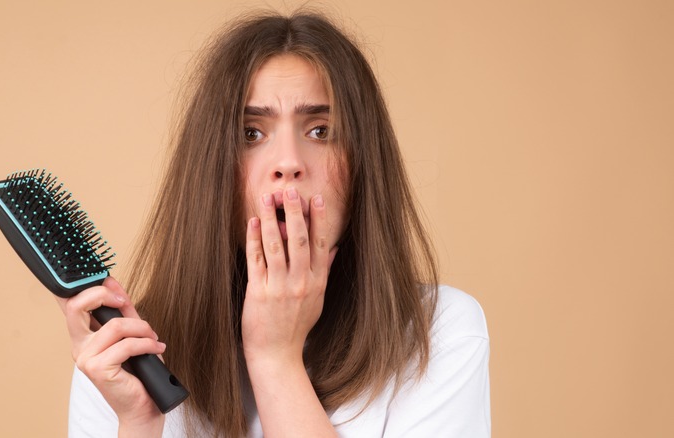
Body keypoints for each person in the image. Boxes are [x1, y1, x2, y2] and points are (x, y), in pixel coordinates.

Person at [61, 9, 490, 438]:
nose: (288, 163)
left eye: (321, 131)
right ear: (211, 169)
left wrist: (275, 358)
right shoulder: (122, 358)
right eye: (251, 133)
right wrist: (137, 422)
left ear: (364, 163)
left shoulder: (440, 333)